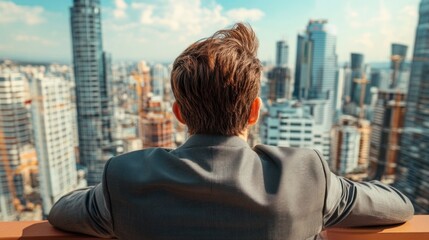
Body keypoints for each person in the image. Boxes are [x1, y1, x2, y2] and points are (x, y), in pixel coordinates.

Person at [48, 23, 414, 240]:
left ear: (178, 113)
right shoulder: (304, 177)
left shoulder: (126, 180)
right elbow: (398, 206)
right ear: (254, 111)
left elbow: (60, 212)